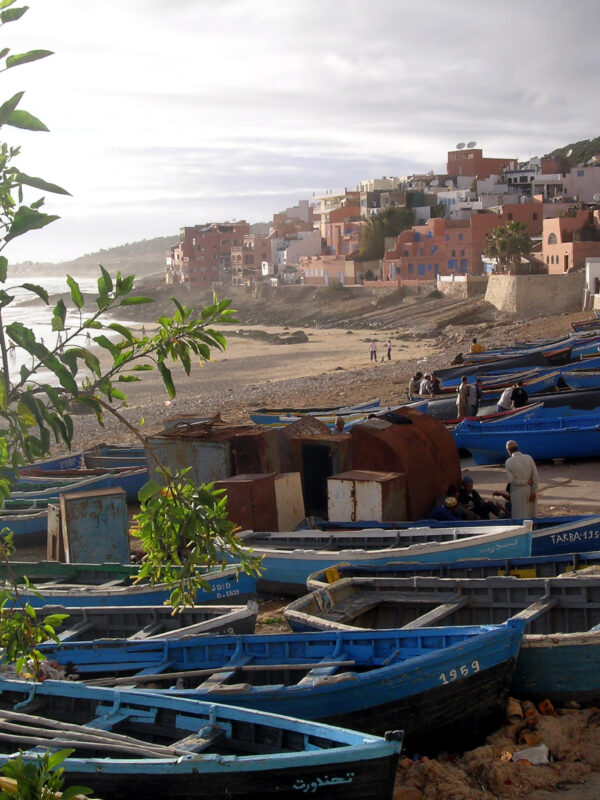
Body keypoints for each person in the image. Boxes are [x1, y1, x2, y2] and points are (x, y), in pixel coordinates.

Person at [505, 439, 538, 519]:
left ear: (509, 450)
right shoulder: (528, 458)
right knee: (531, 514)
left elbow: (512, 480)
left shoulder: (509, 462)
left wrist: (524, 482)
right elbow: (535, 476)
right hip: (529, 491)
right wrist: (533, 491)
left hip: (517, 493)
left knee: (519, 516)